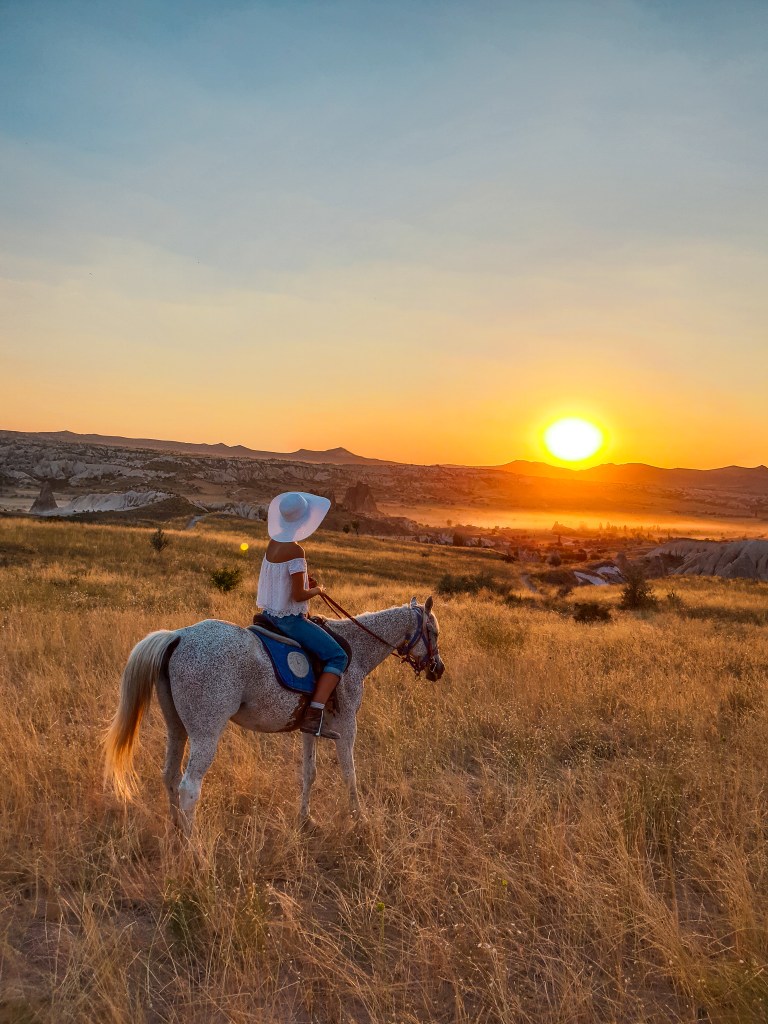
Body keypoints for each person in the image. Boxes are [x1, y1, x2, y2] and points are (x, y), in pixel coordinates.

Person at [256, 491, 348, 739]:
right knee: (338, 656)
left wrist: (305, 581)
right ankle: (315, 714)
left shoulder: (272, 542)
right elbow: (297, 596)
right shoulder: (297, 551)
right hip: (289, 621)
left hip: (269, 614)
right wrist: (317, 590)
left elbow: (280, 580)